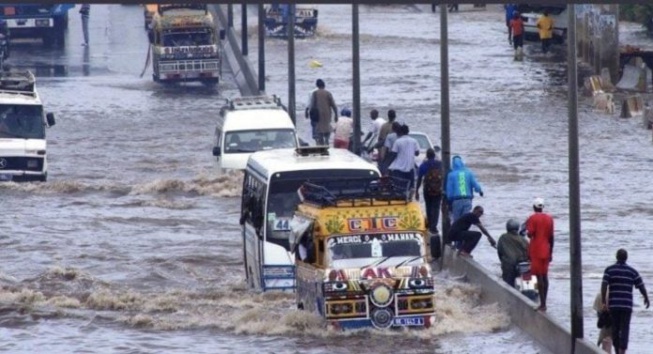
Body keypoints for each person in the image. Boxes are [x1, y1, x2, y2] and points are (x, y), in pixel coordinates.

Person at [601, 249, 650, 354]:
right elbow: (641, 285)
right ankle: (622, 350)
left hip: (614, 305)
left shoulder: (609, 270)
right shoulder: (632, 271)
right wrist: (646, 297)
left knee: (615, 329)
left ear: (616, 257)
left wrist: (603, 302)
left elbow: (604, 286)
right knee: (625, 328)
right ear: (626, 258)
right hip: (627, 305)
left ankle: (617, 350)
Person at [525, 197, 554, 312]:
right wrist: (551, 251)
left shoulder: (532, 218)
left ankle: (542, 304)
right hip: (546, 249)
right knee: (545, 276)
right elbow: (551, 237)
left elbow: (530, 234)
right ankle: (544, 303)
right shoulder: (549, 219)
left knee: (539, 276)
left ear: (534, 207)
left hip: (536, 249)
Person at [444, 155, 484, 222]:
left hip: (456, 201)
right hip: (467, 200)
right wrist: (480, 191)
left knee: (457, 222)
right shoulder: (468, 173)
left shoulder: (451, 175)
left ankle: (457, 232)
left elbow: (449, 192)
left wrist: (449, 200)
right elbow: (476, 185)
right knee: (466, 221)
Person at [415, 148, 443, 235]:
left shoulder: (423, 165)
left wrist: (416, 191)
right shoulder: (440, 164)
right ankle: (434, 227)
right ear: (434, 155)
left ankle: (430, 225)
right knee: (436, 208)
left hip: (427, 190)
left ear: (427, 156)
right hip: (438, 190)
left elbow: (419, 179)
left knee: (429, 206)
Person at [496, 218, 529, 287]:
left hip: (508, 265)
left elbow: (500, 252)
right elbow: (528, 252)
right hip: (523, 265)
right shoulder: (523, 239)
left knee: (508, 285)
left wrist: (503, 261)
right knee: (527, 284)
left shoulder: (503, 237)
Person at [306, 79, 338, 146]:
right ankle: (326, 141)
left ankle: (321, 144)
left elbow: (312, 105)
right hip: (327, 115)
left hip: (318, 115)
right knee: (327, 128)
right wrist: (336, 115)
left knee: (319, 131)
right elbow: (334, 105)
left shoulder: (315, 93)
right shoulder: (328, 93)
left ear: (317, 85)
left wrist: (310, 114)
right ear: (324, 85)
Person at [387, 124, 419, 190]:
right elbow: (417, 153)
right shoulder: (414, 141)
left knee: (399, 188)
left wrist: (387, 165)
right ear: (408, 132)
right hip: (410, 169)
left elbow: (393, 154)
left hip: (398, 170)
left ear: (401, 132)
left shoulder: (398, 141)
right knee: (410, 188)